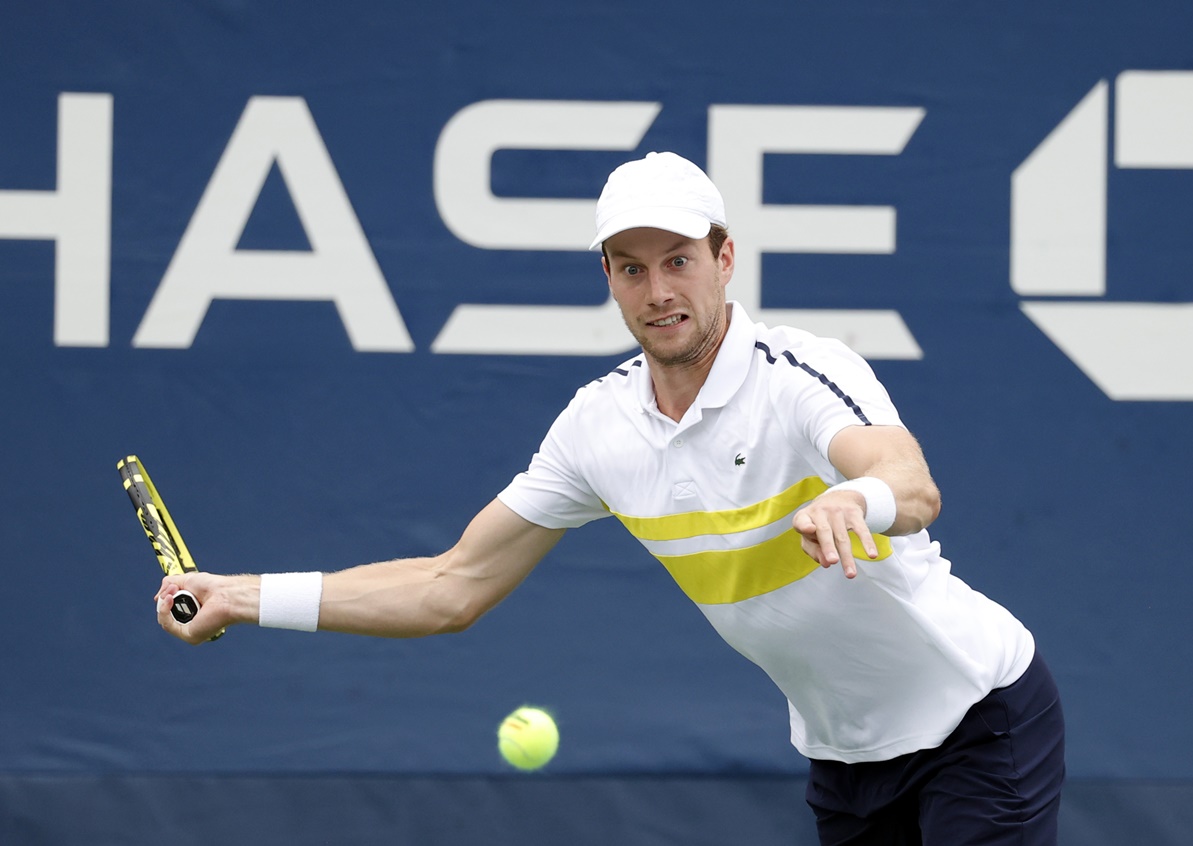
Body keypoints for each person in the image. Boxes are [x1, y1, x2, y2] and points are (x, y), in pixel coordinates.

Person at [157, 151, 1066, 844]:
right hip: (844, 757)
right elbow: (451, 586)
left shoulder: (801, 375)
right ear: (608, 279)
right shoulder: (598, 428)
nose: (658, 290)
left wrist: (854, 501)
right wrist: (241, 596)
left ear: (724, 259)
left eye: (678, 260)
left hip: (978, 720)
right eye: (631, 269)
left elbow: (910, 482)